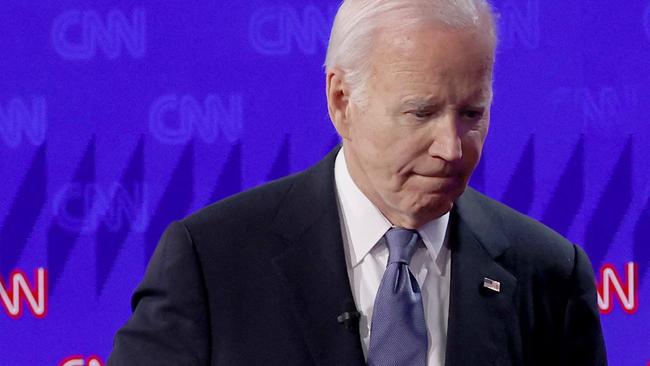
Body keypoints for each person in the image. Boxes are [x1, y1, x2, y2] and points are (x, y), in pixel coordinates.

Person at [108, 0, 607, 365]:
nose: (452, 148)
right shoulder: (212, 263)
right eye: (422, 112)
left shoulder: (550, 275)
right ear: (342, 99)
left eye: (472, 113)